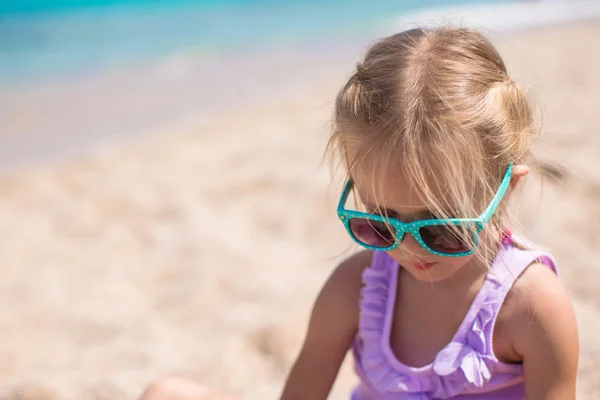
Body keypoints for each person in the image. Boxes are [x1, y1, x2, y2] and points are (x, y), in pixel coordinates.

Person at [138, 26, 579, 400]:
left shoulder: (531, 308)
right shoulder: (357, 288)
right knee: (167, 392)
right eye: (380, 222)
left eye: (443, 229)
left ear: (506, 190)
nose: (406, 247)